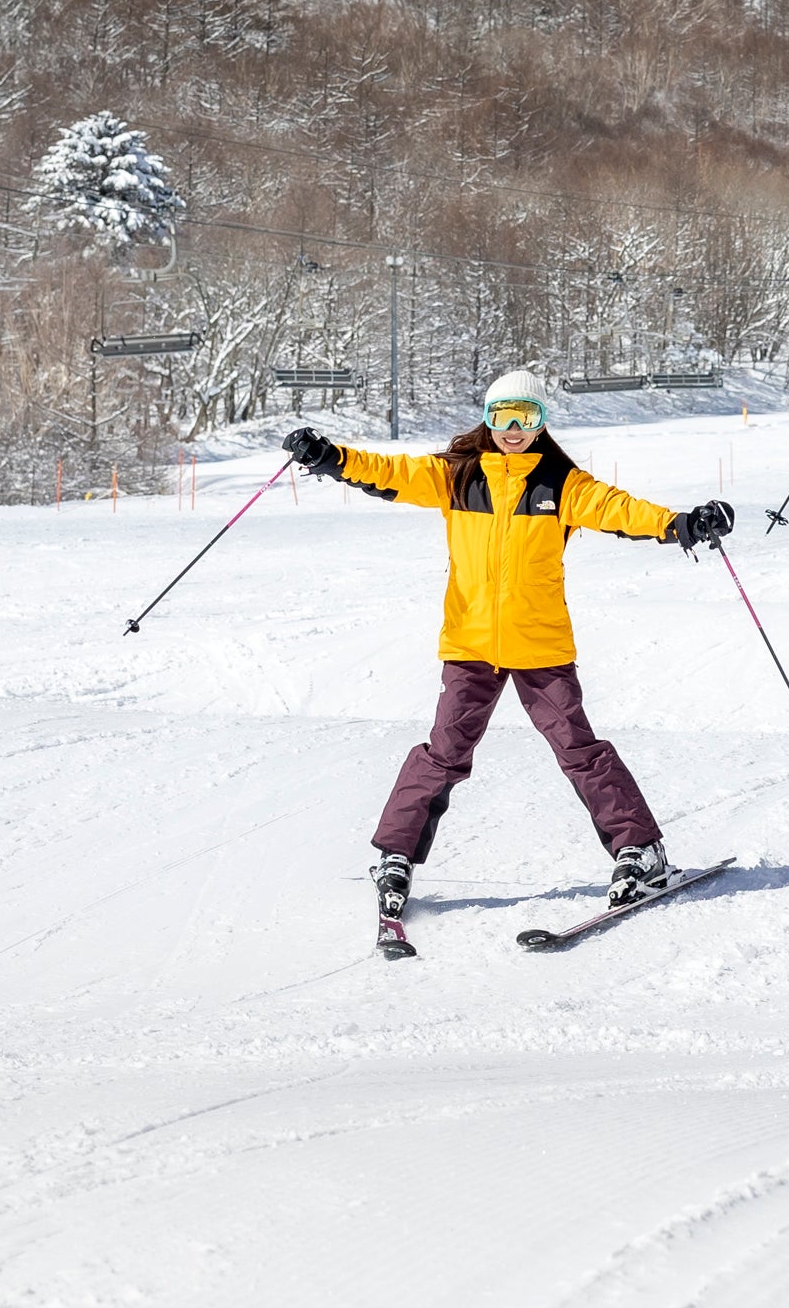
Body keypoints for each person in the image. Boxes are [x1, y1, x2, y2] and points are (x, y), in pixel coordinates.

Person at [284, 368, 734, 954]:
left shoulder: (560, 484)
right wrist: (331, 456)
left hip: (539, 645)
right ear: (487, 419)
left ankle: (640, 852)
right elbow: (387, 472)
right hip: (469, 644)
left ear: (542, 421)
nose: (513, 429)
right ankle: (396, 858)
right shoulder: (456, 475)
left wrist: (681, 524)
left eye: (526, 417)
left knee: (576, 747)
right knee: (444, 752)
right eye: (502, 417)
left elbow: (621, 510)